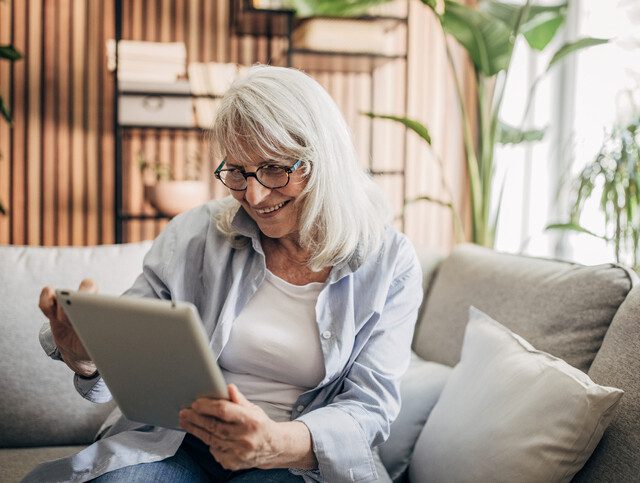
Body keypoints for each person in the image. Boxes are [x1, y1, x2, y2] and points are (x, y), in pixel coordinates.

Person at [26, 65, 423, 483]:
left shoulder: (389, 261)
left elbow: (371, 407)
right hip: (179, 442)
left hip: (292, 459)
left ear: (324, 162)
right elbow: (134, 349)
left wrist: (274, 442)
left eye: (273, 169)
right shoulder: (198, 233)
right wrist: (90, 356)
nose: (253, 195)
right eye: (237, 171)